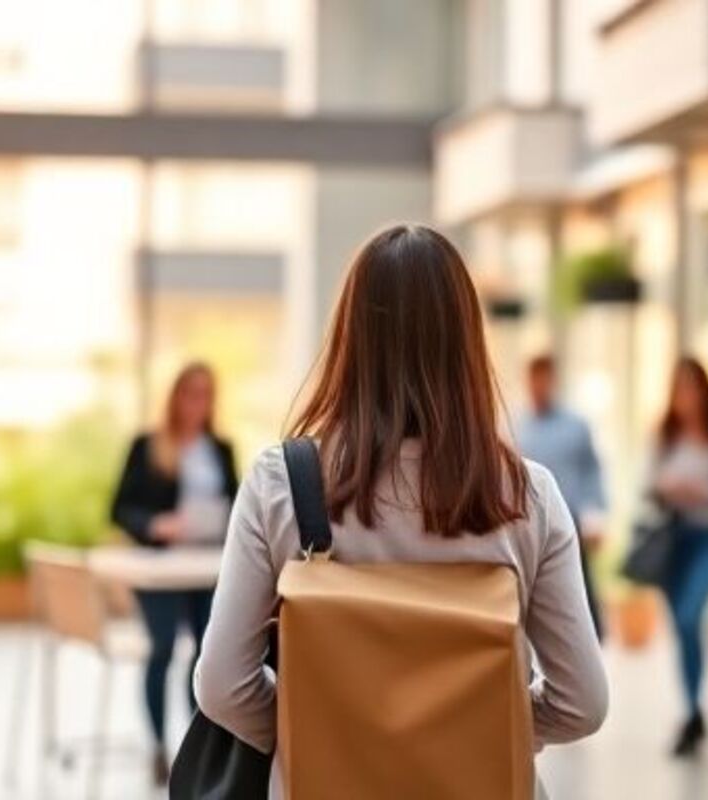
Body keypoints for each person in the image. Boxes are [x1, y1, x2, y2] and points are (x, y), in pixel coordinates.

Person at [194, 224, 608, 798]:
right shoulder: (525, 495)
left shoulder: (282, 485)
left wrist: (322, 735)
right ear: (466, 341)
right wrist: (470, 736)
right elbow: (582, 703)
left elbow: (221, 685)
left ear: (349, 338)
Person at [110, 362, 239, 784]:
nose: (197, 403)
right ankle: (158, 747)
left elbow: (238, 508)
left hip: (207, 567)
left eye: (206, 394)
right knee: (162, 648)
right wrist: (154, 525)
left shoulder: (220, 449)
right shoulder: (148, 446)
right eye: (190, 393)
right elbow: (119, 508)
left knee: (207, 654)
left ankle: (194, 747)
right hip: (160, 567)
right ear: (176, 396)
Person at [644, 356, 708, 758]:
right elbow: (646, 483)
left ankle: (693, 709)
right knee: (682, 629)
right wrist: (668, 486)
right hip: (673, 541)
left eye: (693, 387)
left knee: (691, 617)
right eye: (680, 387)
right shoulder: (665, 436)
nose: (687, 396)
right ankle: (692, 709)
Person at [517, 354, 609, 641]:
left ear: (553, 381)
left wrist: (596, 514)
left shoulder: (575, 425)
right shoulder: (516, 426)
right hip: (526, 526)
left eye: (545, 378)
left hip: (570, 520)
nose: (539, 386)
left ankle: (591, 644)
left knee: (578, 593)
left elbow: (593, 471)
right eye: (535, 379)